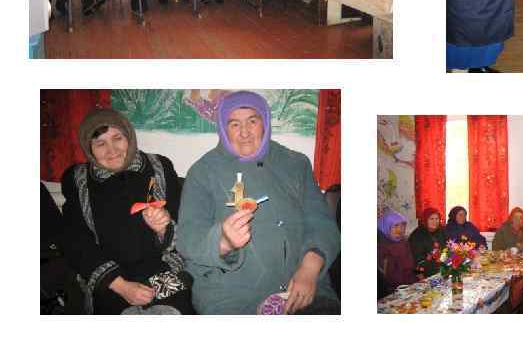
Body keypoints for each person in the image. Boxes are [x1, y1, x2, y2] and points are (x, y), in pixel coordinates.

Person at [176, 91, 340, 314]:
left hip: (301, 284)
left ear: (265, 122)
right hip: (230, 294)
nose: (244, 132)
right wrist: (223, 241)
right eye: (234, 124)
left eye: (252, 121)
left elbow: (322, 223)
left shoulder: (296, 163)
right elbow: (187, 238)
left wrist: (310, 268)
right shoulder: (202, 172)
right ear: (223, 128)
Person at [60, 109, 192, 314]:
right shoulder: (78, 180)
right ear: (89, 148)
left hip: (163, 270)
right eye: (100, 143)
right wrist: (120, 285)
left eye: (117, 138)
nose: (111, 150)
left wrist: (163, 229)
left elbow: (186, 225)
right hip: (111, 281)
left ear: (129, 136)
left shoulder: (160, 167)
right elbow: (75, 242)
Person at [377, 208, 417, 292]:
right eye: (396, 226)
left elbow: (410, 266)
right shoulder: (380, 246)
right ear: (386, 227)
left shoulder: (404, 242)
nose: (400, 229)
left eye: (402, 225)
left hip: (410, 285)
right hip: (390, 290)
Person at [408, 208, 447, 278]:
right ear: (425, 219)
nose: (435, 221)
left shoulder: (442, 230)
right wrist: (420, 275)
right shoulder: (417, 235)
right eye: (431, 219)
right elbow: (416, 259)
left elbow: (447, 247)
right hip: (426, 270)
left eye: (437, 219)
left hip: (443, 267)